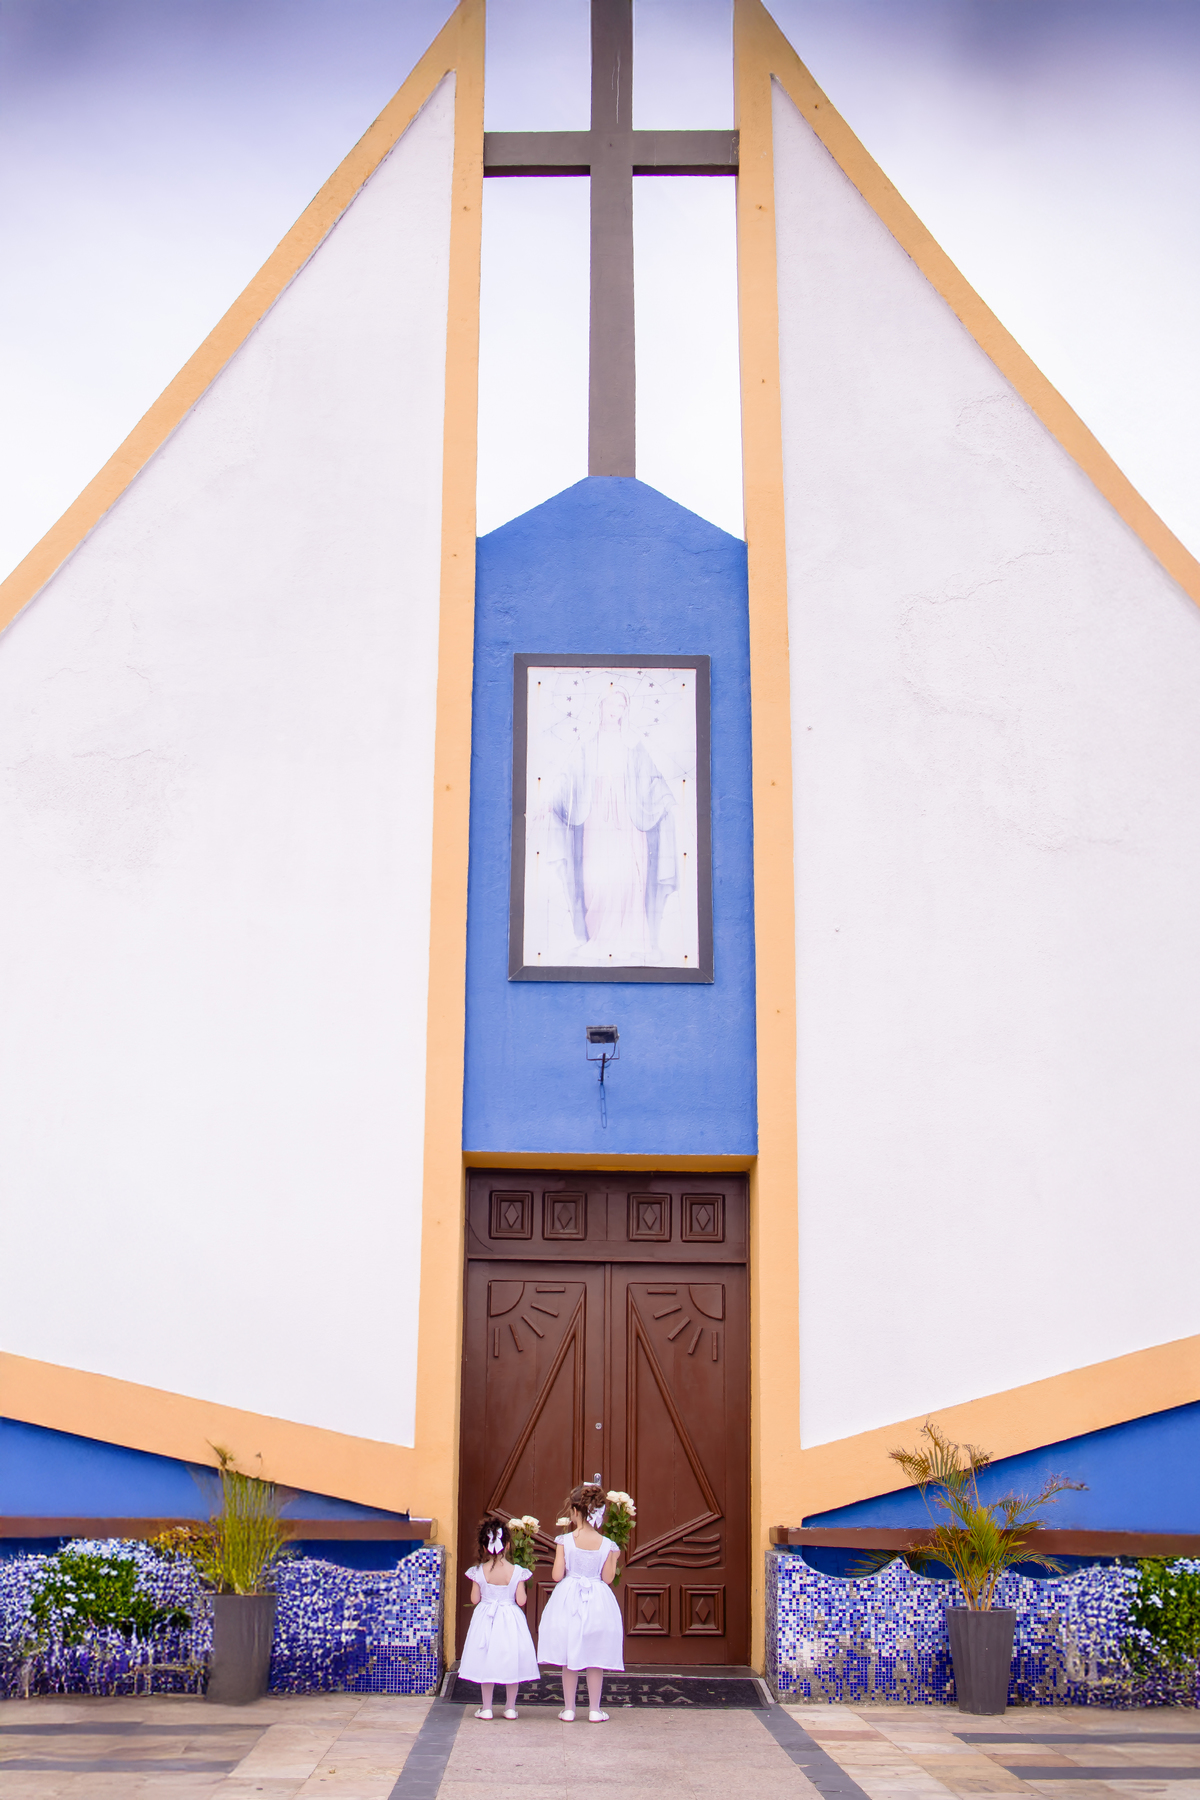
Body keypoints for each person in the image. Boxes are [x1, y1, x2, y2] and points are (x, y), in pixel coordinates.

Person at [535, 1482, 624, 1722]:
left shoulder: (565, 1540)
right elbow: (607, 1578)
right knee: (595, 1657)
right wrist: (613, 1558)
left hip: (569, 1599)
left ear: (575, 1512)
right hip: (597, 1601)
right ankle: (594, 1709)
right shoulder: (607, 1544)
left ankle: (569, 1709)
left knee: (570, 1655)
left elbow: (556, 1575)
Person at [460, 1514, 540, 1720]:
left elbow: (475, 1599)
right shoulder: (517, 1571)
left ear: (484, 1545)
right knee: (510, 1660)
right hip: (510, 1619)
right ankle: (510, 1707)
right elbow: (521, 1601)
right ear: (507, 1544)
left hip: (486, 1618)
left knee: (487, 1660)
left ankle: (486, 1708)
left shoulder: (479, 1571)